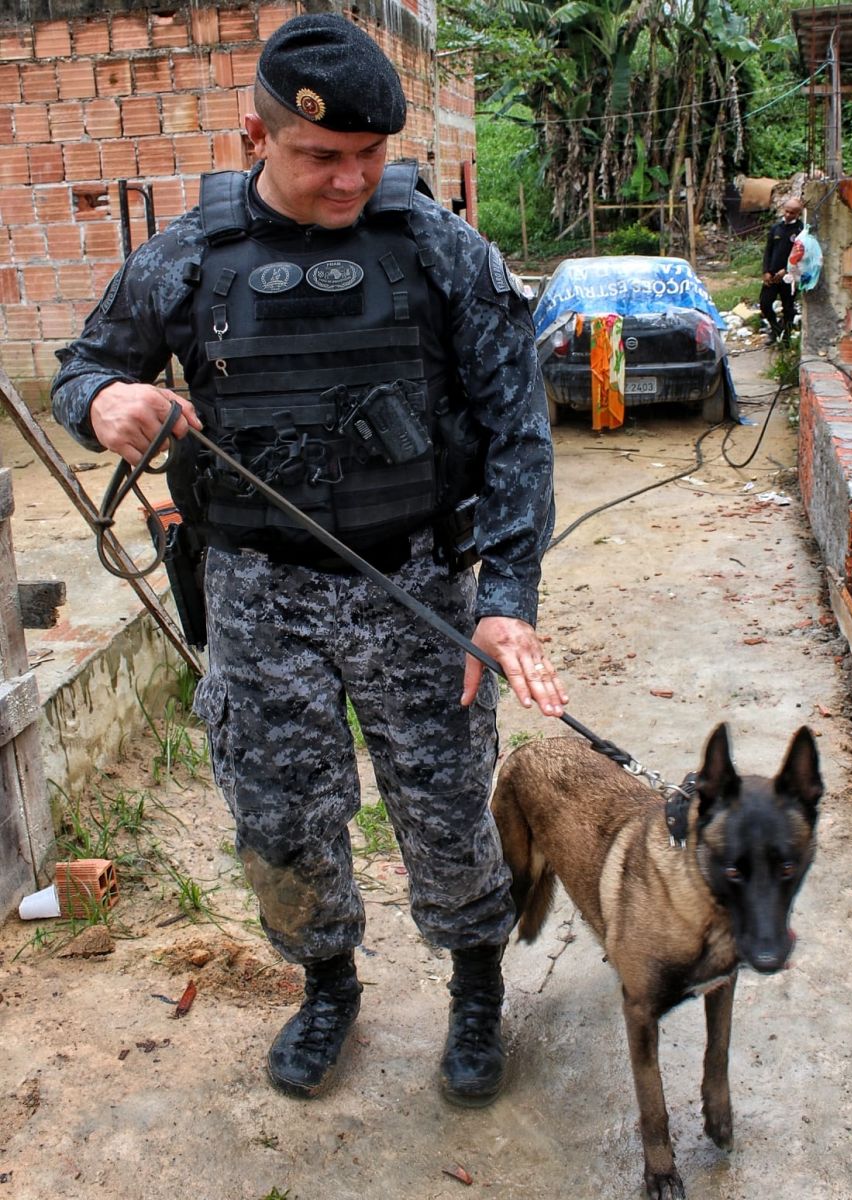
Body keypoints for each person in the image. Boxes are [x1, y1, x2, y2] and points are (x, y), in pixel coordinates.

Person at [51, 12, 568, 1109]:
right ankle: (326, 982)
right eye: (322, 157)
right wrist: (105, 399)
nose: (350, 182)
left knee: (442, 801)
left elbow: (518, 425)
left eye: (370, 158)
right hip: (254, 591)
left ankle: (474, 980)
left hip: (416, 582)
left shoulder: (436, 247)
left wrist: (505, 600)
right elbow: (83, 363)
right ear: (257, 135)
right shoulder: (188, 256)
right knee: (280, 809)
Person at [759, 196, 803, 346]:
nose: (788, 214)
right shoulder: (776, 228)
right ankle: (776, 330)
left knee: (788, 308)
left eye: (792, 212)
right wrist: (766, 271)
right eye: (786, 211)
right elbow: (768, 251)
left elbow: (801, 255)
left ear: (798, 214)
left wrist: (786, 270)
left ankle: (786, 338)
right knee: (765, 304)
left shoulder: (800, 231)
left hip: (789, 276)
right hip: (772, 275)